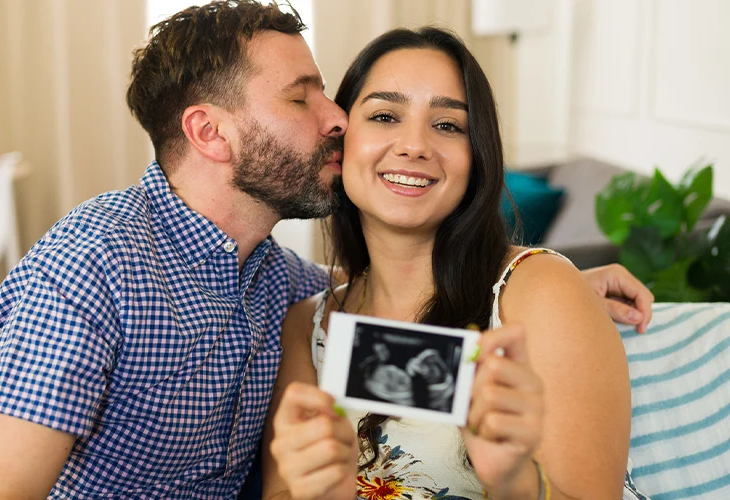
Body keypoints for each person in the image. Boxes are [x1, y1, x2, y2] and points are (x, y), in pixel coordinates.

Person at [0, 2, 652, 499]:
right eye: (302, 98)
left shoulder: (282, 290)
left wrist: (545, 293)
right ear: (210, 133)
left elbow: (422, 340)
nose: (336, 118)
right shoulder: (93, 264)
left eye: (447, 124)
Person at [263, 27, 650, 500]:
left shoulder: (537, 292)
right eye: (385, 115)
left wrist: (513, 481)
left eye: (448, 125)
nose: (414, 145)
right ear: (341, 142)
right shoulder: (309, 324)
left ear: (477, 157)